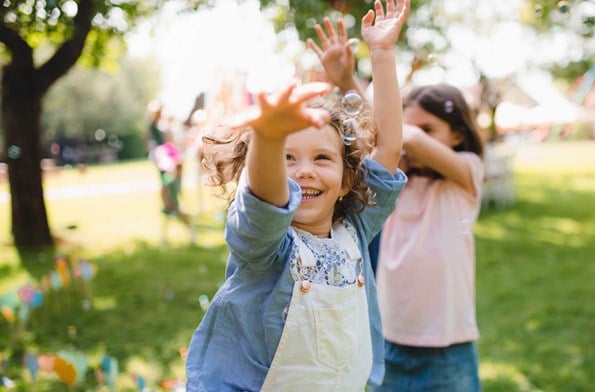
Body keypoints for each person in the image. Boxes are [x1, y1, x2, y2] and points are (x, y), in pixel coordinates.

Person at [184, 1, 410, 390]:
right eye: (287, 158)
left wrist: (383, 54)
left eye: (322, 158)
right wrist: (268, 137)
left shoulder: (356, 225)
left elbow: (387, 145)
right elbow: (267, 200)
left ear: (346, 181)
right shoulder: (265, 244)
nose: (304, 170)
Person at [374, 83, 486, 391]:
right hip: (391, 338)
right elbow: (384, 132)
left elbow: (396, 134)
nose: (414, 137)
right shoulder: (396, 183)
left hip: (448, 344)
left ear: (458, 135)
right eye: (409, 126)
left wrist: (399, 131)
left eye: (427, 129)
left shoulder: (467, 173)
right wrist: (346, 81)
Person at [145, 100, 195, 243]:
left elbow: (174, 156)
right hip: (165, 174)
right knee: (168, 207)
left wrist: (172, 174)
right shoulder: (153, 129)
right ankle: (166, 237)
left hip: (170, 175)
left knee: (172, 206)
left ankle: (189, 230)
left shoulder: (164, 131)